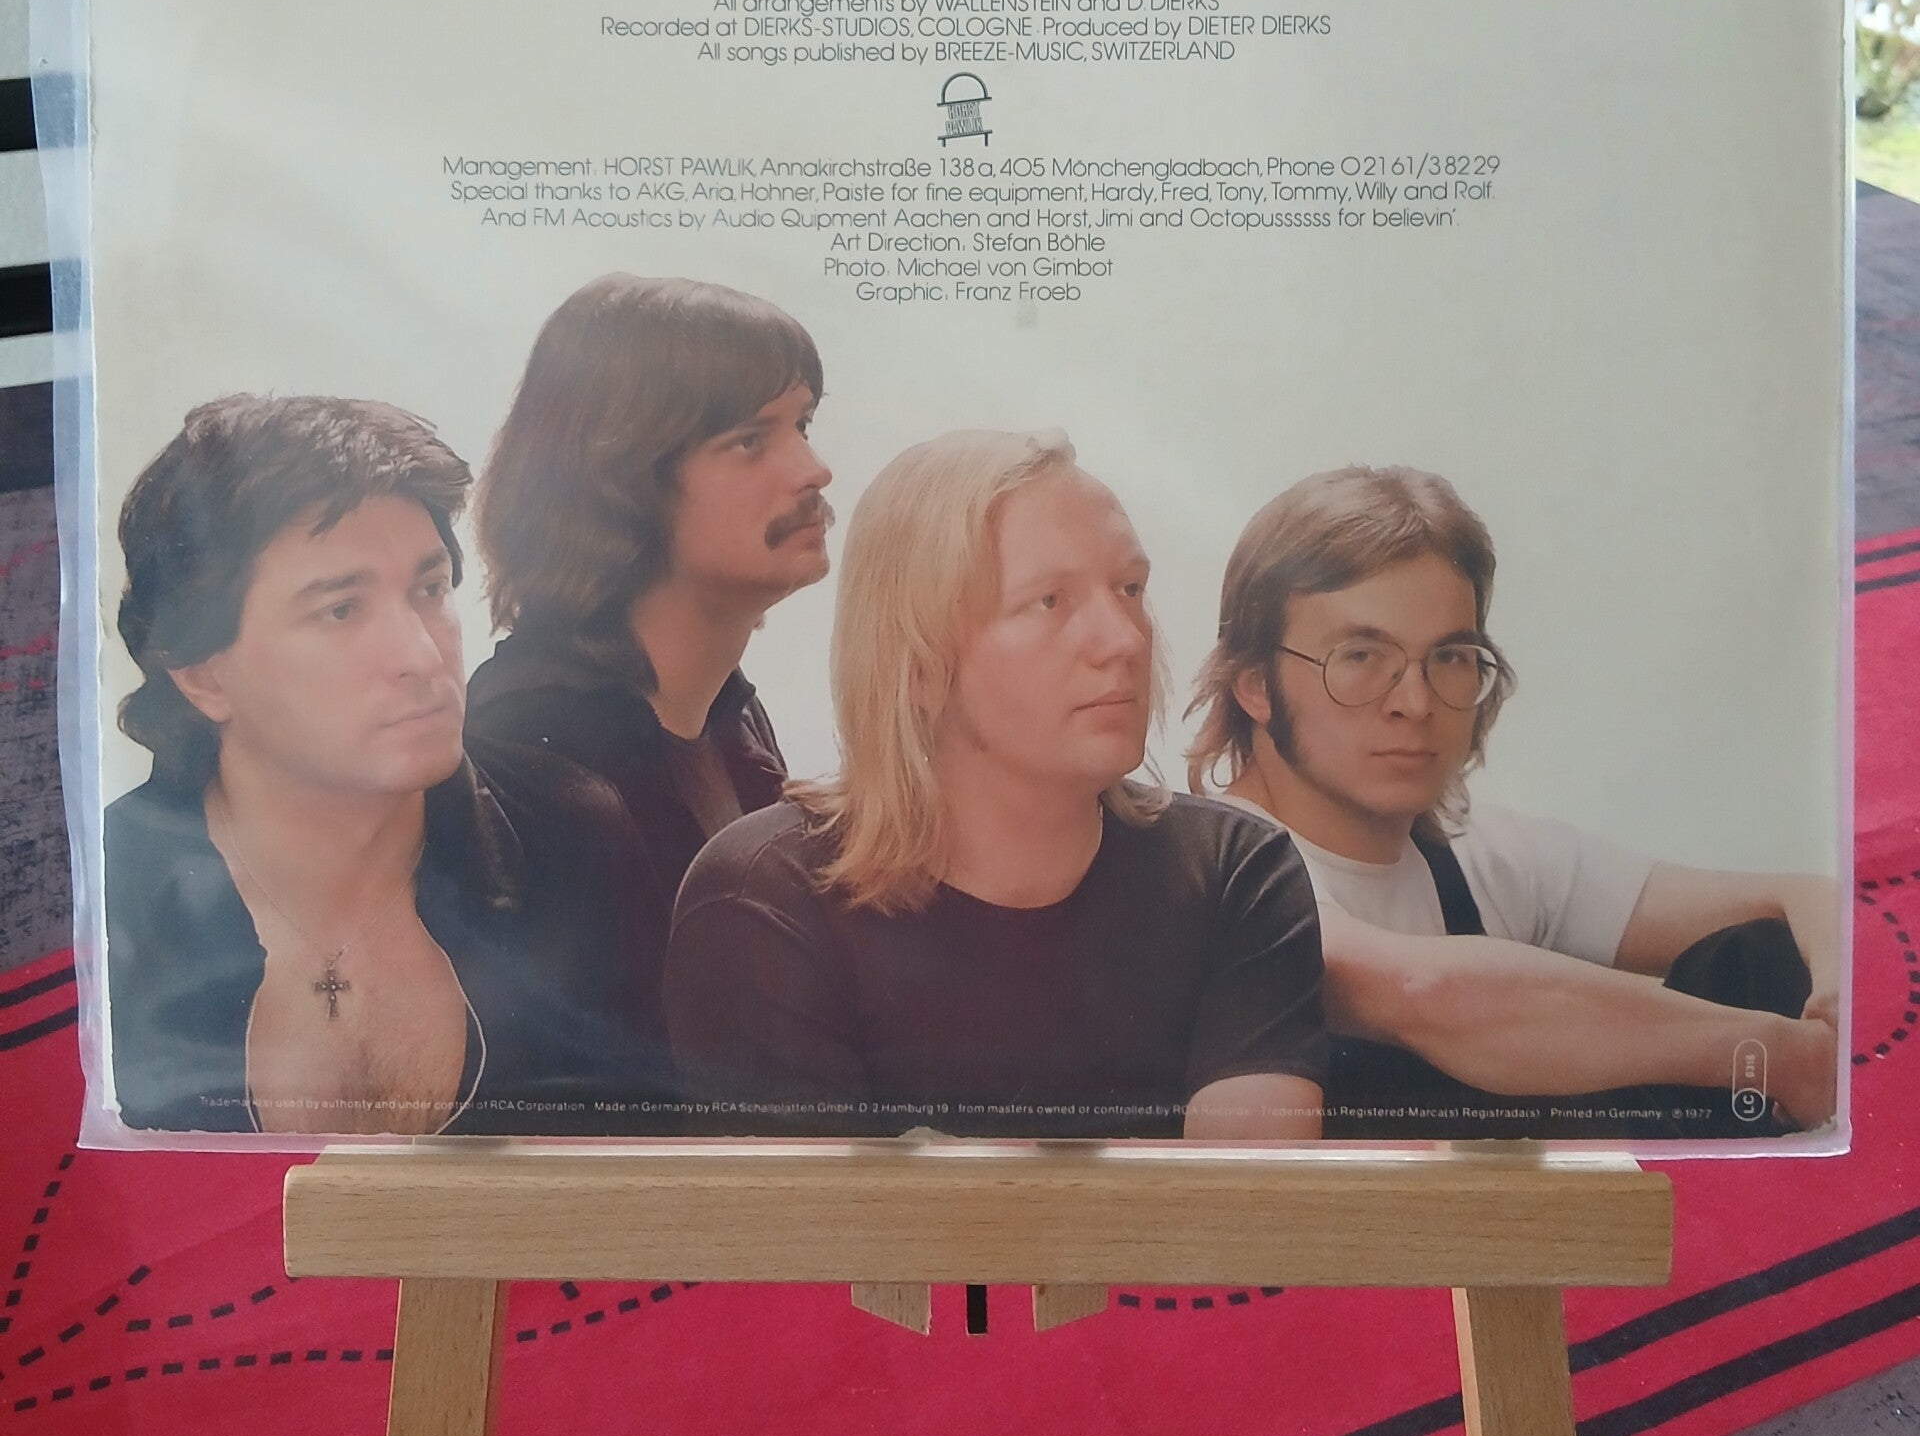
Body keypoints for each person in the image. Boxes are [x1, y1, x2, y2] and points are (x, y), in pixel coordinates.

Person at [666, 431, 1326, 1141]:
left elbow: (1249, 1201)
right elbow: (815, 1217)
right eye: (1050, 601)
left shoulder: (1234, 871)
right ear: (918, 663)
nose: (1126, 640)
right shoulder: (765, 900)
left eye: (1130, 589)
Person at [1187, 465, 1840, 1137]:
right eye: (1360, 657)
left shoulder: (1482, 856)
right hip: (1353, 1207)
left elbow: (1802, 898)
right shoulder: (1216, 869)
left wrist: (1832, 998)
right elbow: (1425, 993)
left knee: (1762, 957)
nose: (1415, 702)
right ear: (1255, 686)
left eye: (1449, 657)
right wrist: (1768, 1053)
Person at [105, 394, 646, 1136]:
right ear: (203, 674)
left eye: (430, 590)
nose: (422, 657)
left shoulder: (573, 840)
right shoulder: (106, 897)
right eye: (341, 610)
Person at [464, 276, 831, 1091]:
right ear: (620, 478)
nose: (814, 471)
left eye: (802, 426)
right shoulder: (533, 767)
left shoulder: (723, 713)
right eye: (750, 440)